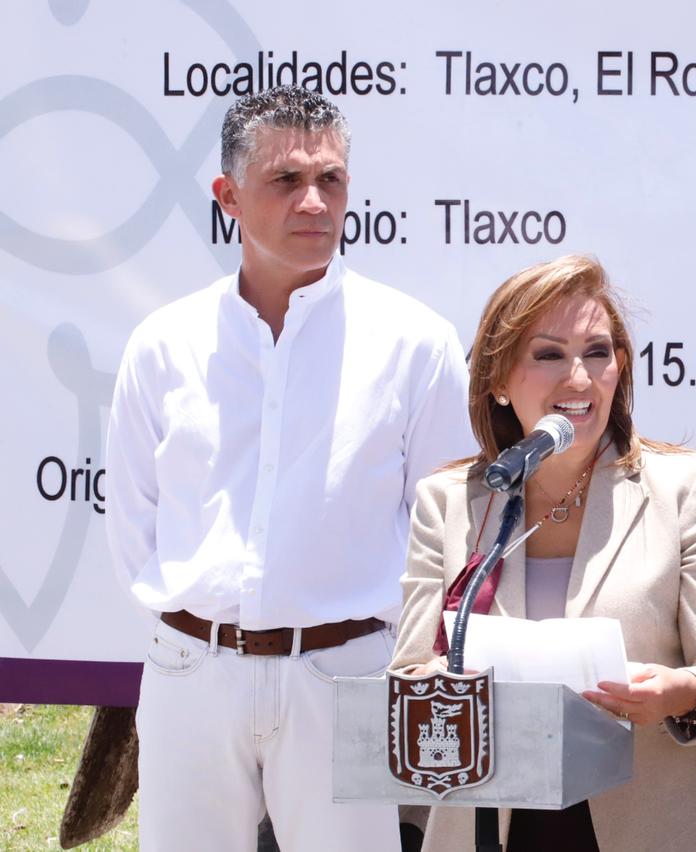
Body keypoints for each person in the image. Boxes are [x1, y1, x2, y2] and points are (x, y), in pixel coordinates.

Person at [104, 85, 473, 851]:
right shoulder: (164, 344)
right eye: (286, 180)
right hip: (190, 674)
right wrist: (194, 638)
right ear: (228, 197)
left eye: (330, 179)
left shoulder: (415, 343)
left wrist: (380, 653)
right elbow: (135, 521)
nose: (314, 201)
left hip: (346, 676)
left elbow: (445, 529)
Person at [389, 255, 696, 851]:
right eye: (548, 355)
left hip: (659, 825)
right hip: (495, 828)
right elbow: (410, 677)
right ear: (498, 380)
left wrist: (678, 693)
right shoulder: (449, 501)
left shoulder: (686, 487)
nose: (578, 378)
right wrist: (444, 684)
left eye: (597, 353)